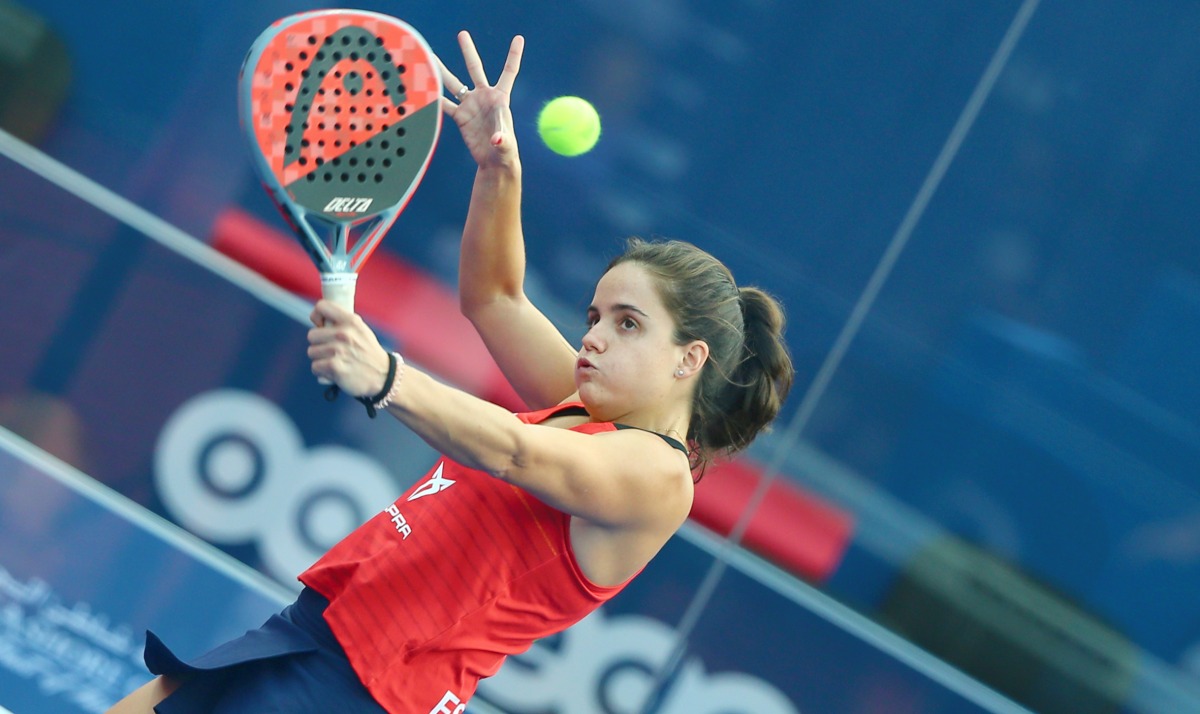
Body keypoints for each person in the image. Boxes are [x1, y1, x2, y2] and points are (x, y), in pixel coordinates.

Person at [107, 29, 793, 714]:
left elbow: (515, 450)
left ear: (689, 359)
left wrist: (385, 377)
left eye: (628, 324)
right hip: (315, 630)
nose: (594, 338)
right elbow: (493, 297)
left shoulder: (660, 478)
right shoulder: (582, 407)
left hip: (364, 692)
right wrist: (500, 171)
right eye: (595, 316)